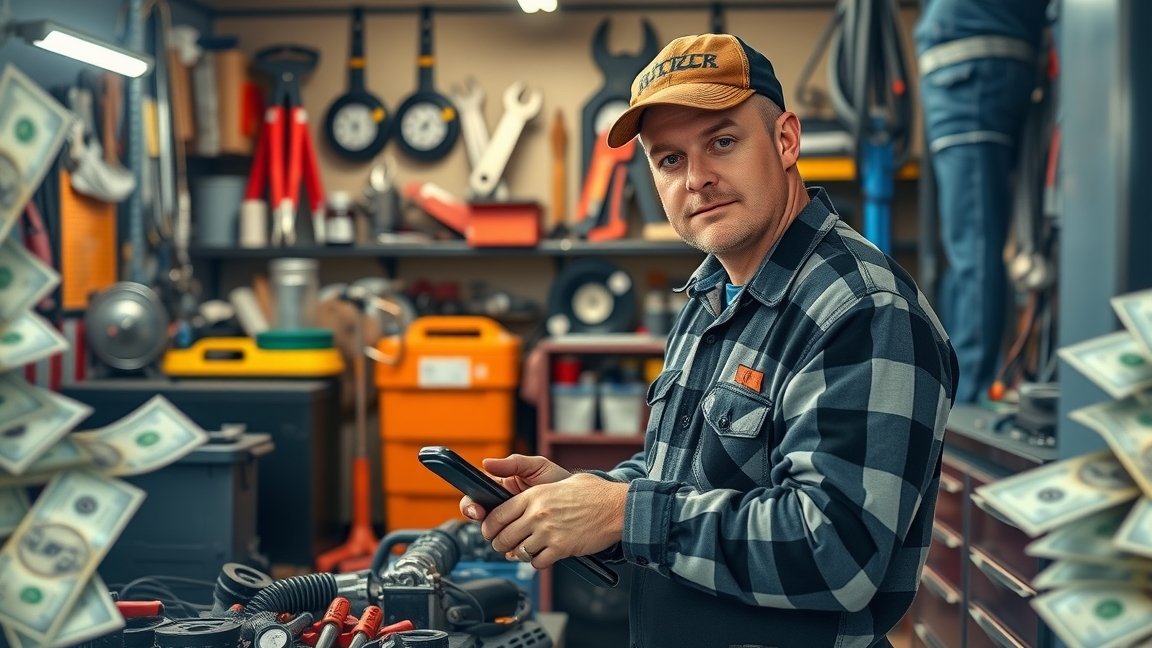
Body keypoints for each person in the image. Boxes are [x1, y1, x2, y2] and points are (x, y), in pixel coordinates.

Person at [461, 33, 958, 648]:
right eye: (669, 159)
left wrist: (622, 513)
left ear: (785, 141)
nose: (696, 178)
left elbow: (837, 552)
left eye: (722, 142)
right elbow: (695, 476)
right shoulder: (714, 293)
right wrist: (584, 498)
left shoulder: (863, 310)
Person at [915, 0, 1050, 402]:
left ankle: (968, 395)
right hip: (987, 53)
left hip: (966, 65)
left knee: (973, 250)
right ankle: (977, 380)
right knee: (978, 247)